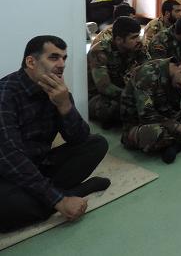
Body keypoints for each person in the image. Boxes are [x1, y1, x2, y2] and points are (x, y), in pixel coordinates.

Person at [0, 36, 110, 232]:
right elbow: (10, 156)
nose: (62, 64)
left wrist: (64, 105)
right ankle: (77, 191)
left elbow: (79, 138)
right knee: (10, 207)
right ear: (31, 62)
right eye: (54, 57)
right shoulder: (5, 94)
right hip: (7, 172)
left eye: (64, 58)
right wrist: (58, 201)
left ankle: (47, 196)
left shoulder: (57, 90)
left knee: (97, 144)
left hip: (41, 163)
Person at [88, 17, 147, 126]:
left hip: (122, 89)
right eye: (133, 37)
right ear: (119, 39)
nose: (138, 40)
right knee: (112, 108)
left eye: (138, 36)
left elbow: (148, 71)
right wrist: (133, 96)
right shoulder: (100, 51)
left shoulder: (137, 47)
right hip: (98, 95)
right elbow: (104, 87)